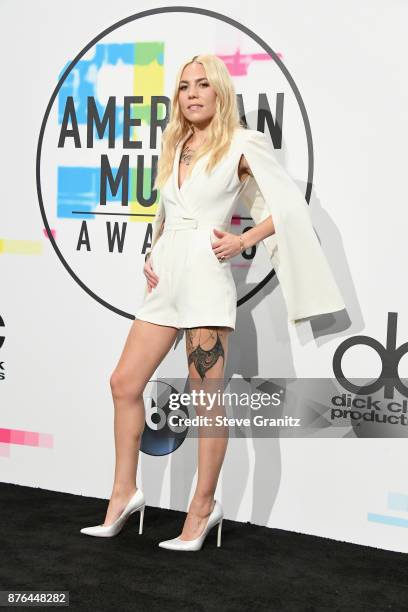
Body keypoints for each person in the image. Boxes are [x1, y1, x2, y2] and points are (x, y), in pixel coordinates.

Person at [80, 54, 345, 551]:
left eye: (203, 85)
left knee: (207, 402)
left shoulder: (243, 143)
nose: (193, 94)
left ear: (220, 91)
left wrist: (244, 241)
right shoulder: (175, 143)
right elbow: (169, 208)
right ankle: (123, 493)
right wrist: (152, 248)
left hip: (205, 277)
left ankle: (202, 509)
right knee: (124, 383)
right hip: (164, 280)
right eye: (184, 87)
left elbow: (289, 205)